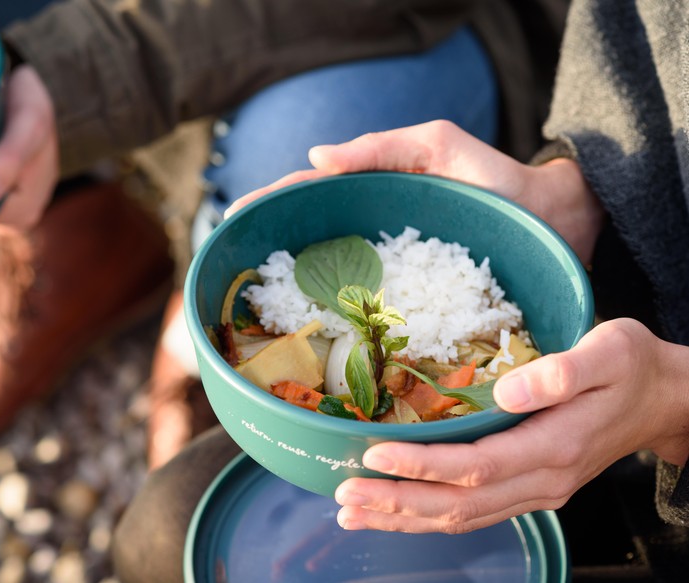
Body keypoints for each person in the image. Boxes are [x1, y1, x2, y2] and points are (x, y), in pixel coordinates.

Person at [112, 0, 689, 581]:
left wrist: (670, 406)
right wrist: (583, 189)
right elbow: (640, 51)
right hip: (622, 290)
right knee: (163, 527)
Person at [0, 0, 570, 459]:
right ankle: (82, 226)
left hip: (475, 24)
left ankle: (206, 298)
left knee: (301, 151)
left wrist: (77, 71)